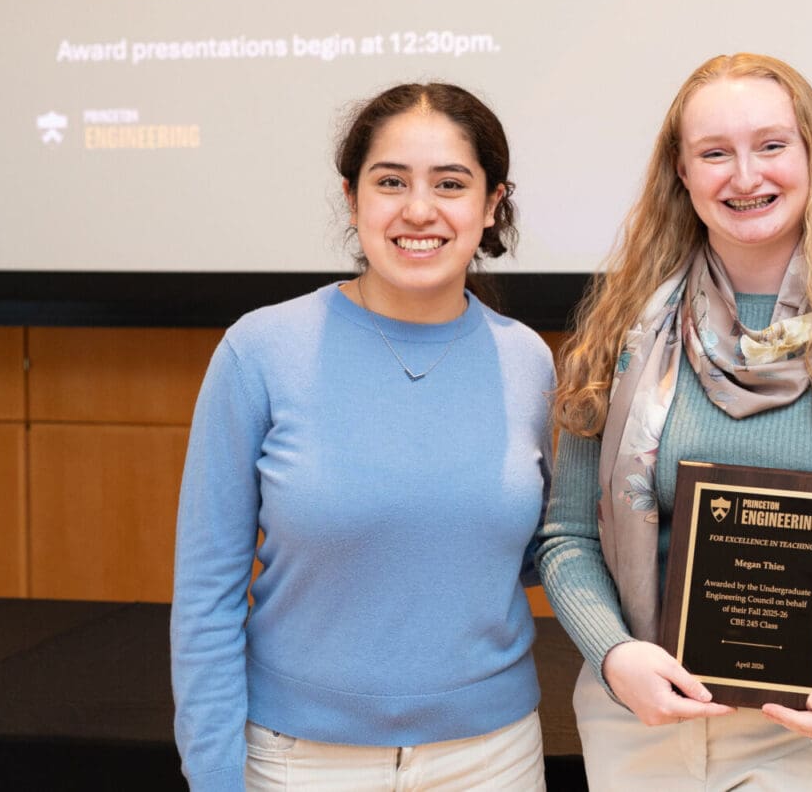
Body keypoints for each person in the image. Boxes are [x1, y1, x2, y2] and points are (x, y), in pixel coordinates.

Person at [538, 53, 812, 790]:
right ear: (681, 176)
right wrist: (614, 655)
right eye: (714, 153)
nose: (745, 176)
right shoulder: (623, 336)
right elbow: (568, 535)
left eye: (772, 145)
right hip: (643, 723)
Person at [170, 83, 554, 791]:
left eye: (450, 183)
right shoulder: (259, 351)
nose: (418, 209)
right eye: (390, 182)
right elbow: (205, 596)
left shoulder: (527, 361)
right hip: (296, 761)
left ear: (493, 202)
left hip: (493, 758)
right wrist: (216, 777)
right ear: (352, 199)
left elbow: (542, 554)